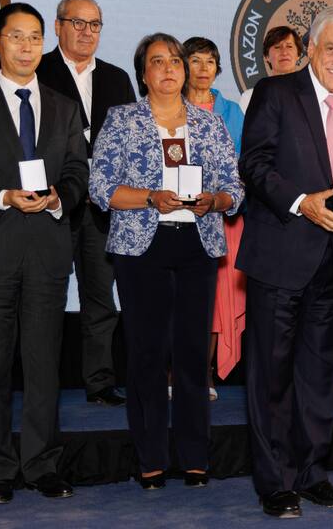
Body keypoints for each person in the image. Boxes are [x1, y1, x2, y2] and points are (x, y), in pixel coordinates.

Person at [237, 4, 333, 518]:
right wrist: (302, 203)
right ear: (311, 49)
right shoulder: (275, 93)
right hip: (279, 255)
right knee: (271, 375)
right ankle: (274, 481)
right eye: (332, 49)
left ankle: (312, 473)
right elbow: (253, 163)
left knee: (319, 375)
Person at [89, 33, 243, 490]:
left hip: (197, 245)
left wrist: (215, 201)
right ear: (143, 73)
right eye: (158, 61)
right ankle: (151, 458)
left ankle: (195, 456)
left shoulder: (209, 123)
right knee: (147, 355)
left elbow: (234, 187)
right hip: (142, 248)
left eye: (175, 60)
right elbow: (101, 187)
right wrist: (150, 197)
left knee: (194, 356)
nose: (170, 68)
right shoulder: (122, 120)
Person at [0, 2, 88, 503]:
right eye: (16, 36)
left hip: (48, 253)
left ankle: (41, 464)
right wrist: (2, 197)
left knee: (43, 366)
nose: (27, 46)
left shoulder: (64, 106)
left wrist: (59, 199)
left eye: (35, 37)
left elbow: (77, 171)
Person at [36, 0, 136, 406]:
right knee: (44, 298)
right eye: (77, 23)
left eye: (94, 24)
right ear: (58, 26)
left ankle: (100, 382)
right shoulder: (37, 70)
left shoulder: (116, 78)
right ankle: (42, 381)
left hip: (101, 210)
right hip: (50, 204)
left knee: (100, 298)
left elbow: (131, 142)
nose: (86, 32)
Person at [183, 36, 245, 401]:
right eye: (195, 60)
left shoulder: (232, 111)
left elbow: (241, 163)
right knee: (181, 299)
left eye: (209, 61)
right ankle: (175, 371)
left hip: (223, 217)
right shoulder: (169, 105)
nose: (203, 68)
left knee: (216, 302)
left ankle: (203, 374)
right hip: (176, 212)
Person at [238, 26, 304, 113]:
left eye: (289, 46)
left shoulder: (312, 94)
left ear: (298, 55)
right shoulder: (250, 97)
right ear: (266, 57)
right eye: (277, 47)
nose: (284, 52)